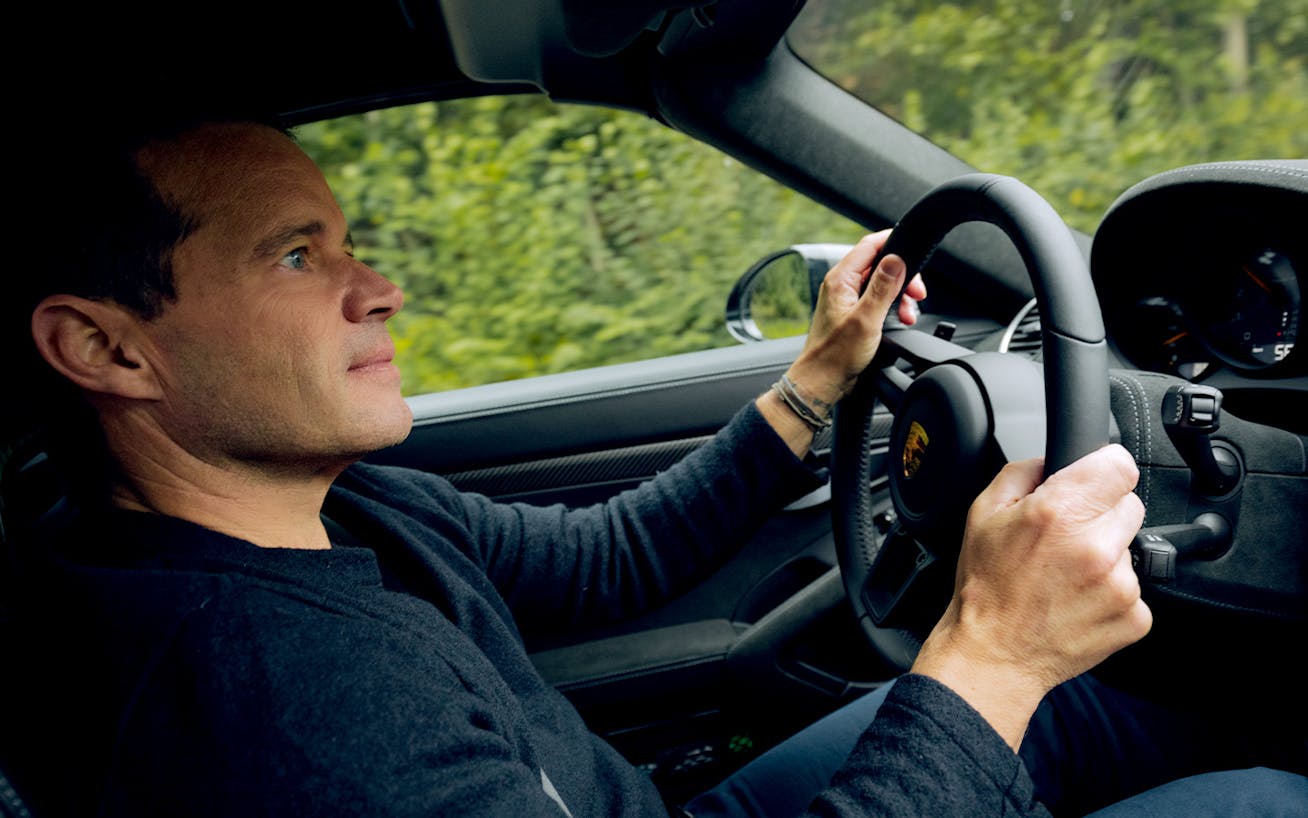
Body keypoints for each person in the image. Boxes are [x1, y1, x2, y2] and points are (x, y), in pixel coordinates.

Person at [4, 111, 1302, 818]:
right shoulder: (267, 707)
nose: (381, 290)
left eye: (350, 243)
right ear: (104, 348)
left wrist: (818, 377)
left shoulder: (337, 506)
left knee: (1089, 707)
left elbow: (612, 559)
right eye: (297, 256)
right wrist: (992, 652)